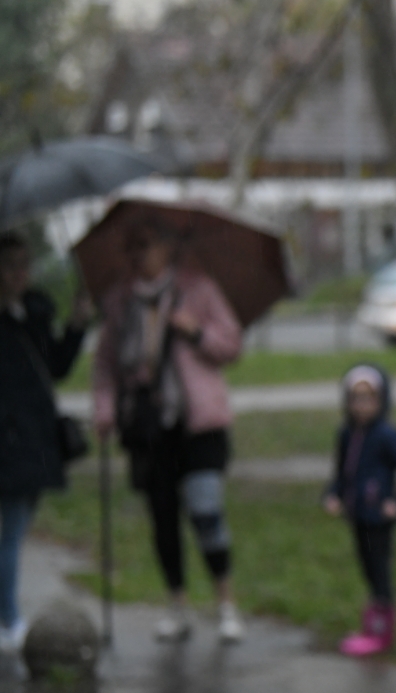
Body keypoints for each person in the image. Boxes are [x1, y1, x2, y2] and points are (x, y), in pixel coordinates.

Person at [92, 219, 244, 643]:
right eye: (132, 246)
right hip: (148, 428)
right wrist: (105, 410)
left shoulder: (199, 290)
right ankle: (177, 605)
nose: (139, 254)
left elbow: (231, 345)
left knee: (205, 509)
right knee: (162, 519)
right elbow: (105, 365)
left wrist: (196, 332)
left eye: (146, 243)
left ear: (167, 248)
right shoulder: (121, 302)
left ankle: (226, 604)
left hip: (198, 423)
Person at [0, 233, 93, 650]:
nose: (19, 273)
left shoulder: (33, 313)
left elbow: (54, 367)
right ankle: (8, 619)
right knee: (12, 530)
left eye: (24, 263)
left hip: (36, 439)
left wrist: (76, 325)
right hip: (8, 441)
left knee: (16, 530)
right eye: (10, 265)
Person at [322, 364, 396, 658]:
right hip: (357, 516)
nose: (362, 405)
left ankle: (383, 631)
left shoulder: (386, 436)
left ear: (381, 400)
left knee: (380, 572)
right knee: (367, 569)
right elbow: (342, 473)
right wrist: (333, 495)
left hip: (379, 518)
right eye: (356, 398)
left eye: (369, 398)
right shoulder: (346, 434)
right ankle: (371, 626)